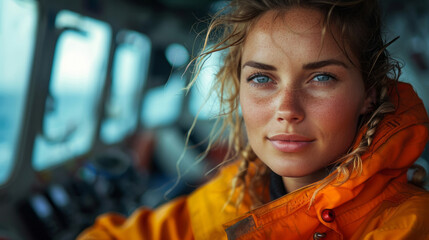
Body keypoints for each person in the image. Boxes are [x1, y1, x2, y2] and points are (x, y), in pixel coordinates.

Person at [77, 0, 429, 239]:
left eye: (321, 78)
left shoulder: (408, 225)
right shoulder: (239, 193)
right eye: (262, 79)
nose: (287, 108)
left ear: (368, 92)